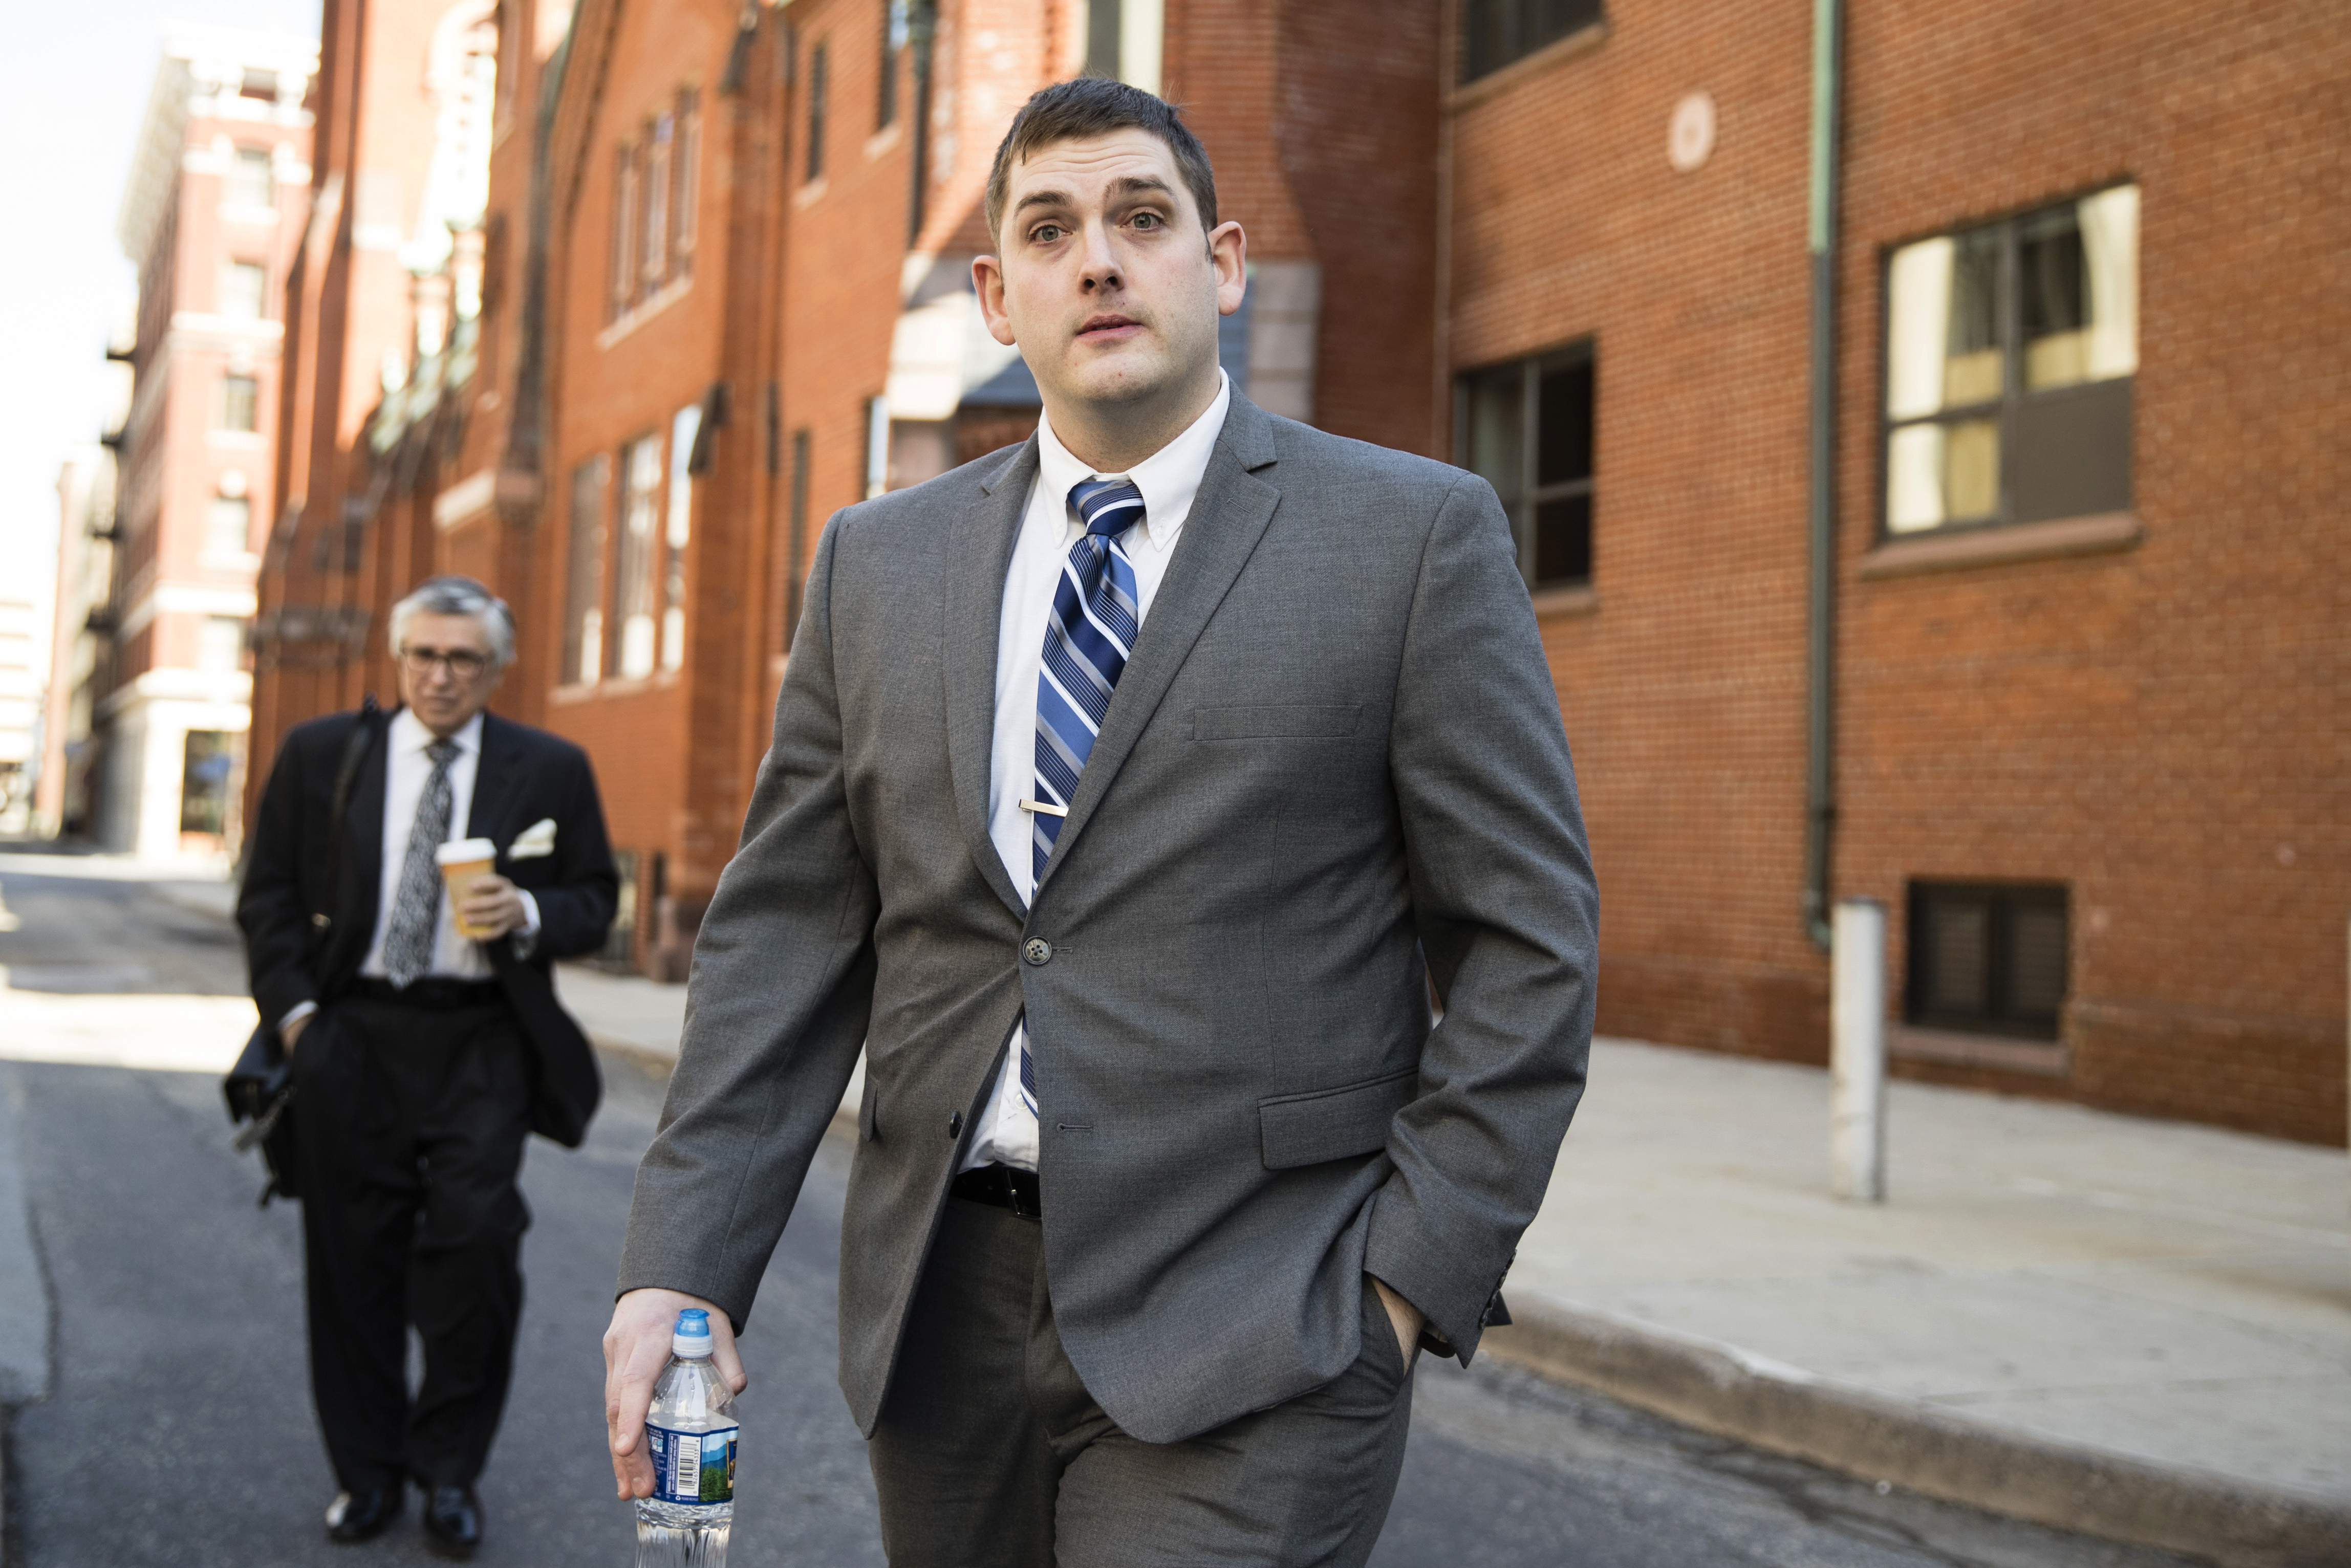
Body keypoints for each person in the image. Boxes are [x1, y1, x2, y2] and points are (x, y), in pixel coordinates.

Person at [603, 79, 1597, 1566]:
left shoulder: (1408, 537)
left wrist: (1405, 1283)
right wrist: (680, 1270)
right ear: (1000, 296)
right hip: (938, 1319)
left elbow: (1530, 941)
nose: (1102, 260)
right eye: (1052, 230)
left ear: (1225, 262)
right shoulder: (878, 566)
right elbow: (786, 940)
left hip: (1263, 1324)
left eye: (1144, 218)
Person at [239, 575, 618, 1557]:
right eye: (425, 656)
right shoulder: (326, 754)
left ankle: (448, 1472)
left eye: (464, 660)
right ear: (398, 658)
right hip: (348, 1037)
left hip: (481, 1039)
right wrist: (297, 1020)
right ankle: (366, 1477)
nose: (441, 676)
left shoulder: (549, 767)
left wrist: (528, 914)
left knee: (476, 1250)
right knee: (351, 1266)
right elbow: (269, 895)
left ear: (498, 669)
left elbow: (593, 897)